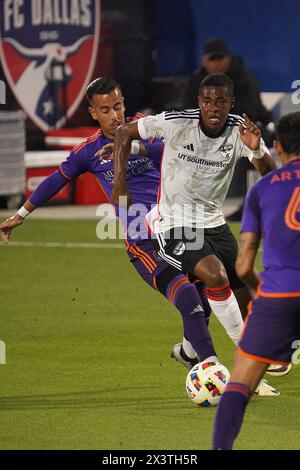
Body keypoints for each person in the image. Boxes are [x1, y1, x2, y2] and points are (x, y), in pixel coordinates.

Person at [0, 77, 219, 371]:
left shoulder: (146, 128)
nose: (115, 115)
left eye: (118, 106)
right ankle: (213, 370)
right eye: (105, 110)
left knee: (206, 299)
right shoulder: (89, 152)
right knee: (189, 297)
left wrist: (133, 146)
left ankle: (191, 354)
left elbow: (174, 151)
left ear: (124, 103)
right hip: (143, 241)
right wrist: (21, 214)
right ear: (93, 113)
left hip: (179, 229)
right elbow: (56, 179)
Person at [112, 72, 284, 393]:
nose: (213, 107)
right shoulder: (176, 122)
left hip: (214, 223)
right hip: (173, 222)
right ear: (199, 102)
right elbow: (123, 133)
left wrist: (257, 150)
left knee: (243, 280)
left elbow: (270, 174)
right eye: (207, 100)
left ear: (231, 102)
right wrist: (120, 182)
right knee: (215, 277)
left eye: (221, 100)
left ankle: (191, 351)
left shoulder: (238, 131)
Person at [212, 111, 300, 450]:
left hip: (276, 296)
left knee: (240, 382)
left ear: (277, 146)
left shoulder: (261, 190)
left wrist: (263, 289)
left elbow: (244, 264)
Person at [184, 37, 275, 222]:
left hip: (249, 127)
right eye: (212, 59)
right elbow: (187, 109)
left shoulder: (244, 76)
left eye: (221, 58)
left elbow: (248, 112)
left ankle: (247, 206)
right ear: (204, 60)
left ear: (228, 58)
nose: (217, 63)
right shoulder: (196, 79)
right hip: (208, 131)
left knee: (248, 146)